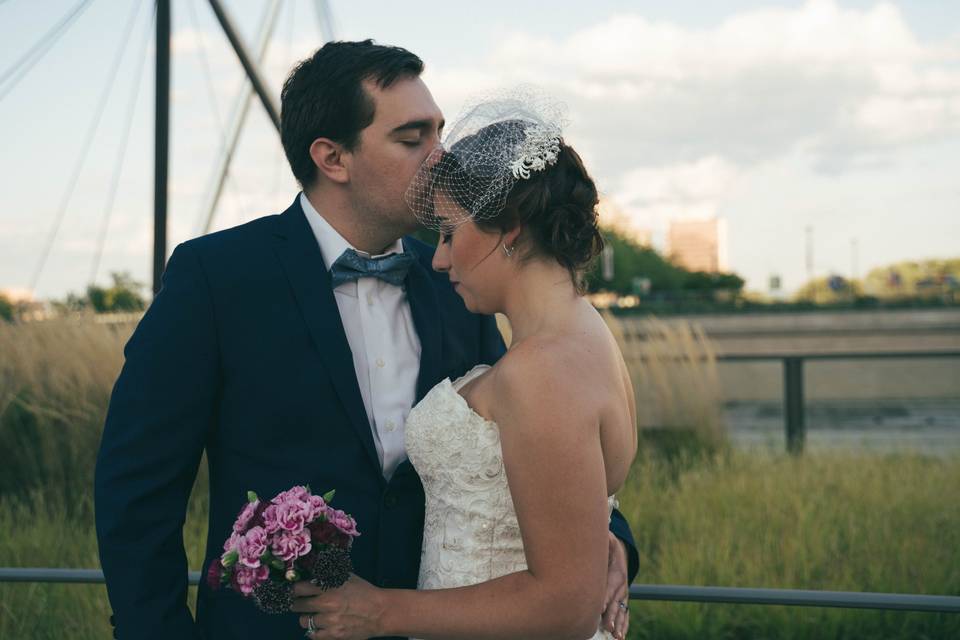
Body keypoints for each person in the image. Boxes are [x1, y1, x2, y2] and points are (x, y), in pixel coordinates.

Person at [94, 41, 638, 640]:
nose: (441, 159)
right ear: (332, 158)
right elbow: (137, 489)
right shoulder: (216, 278)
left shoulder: (463, 282)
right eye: (413, 139)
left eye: (439, 132)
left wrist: (607, 540)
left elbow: (542, 433)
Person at [291, 92, 638, 640]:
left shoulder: (541, 369)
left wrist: (380, 612)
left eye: (451, 232)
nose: (439, 257)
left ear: (511, 229)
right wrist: (598, 540)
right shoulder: (586, 333)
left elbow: (566, 606)